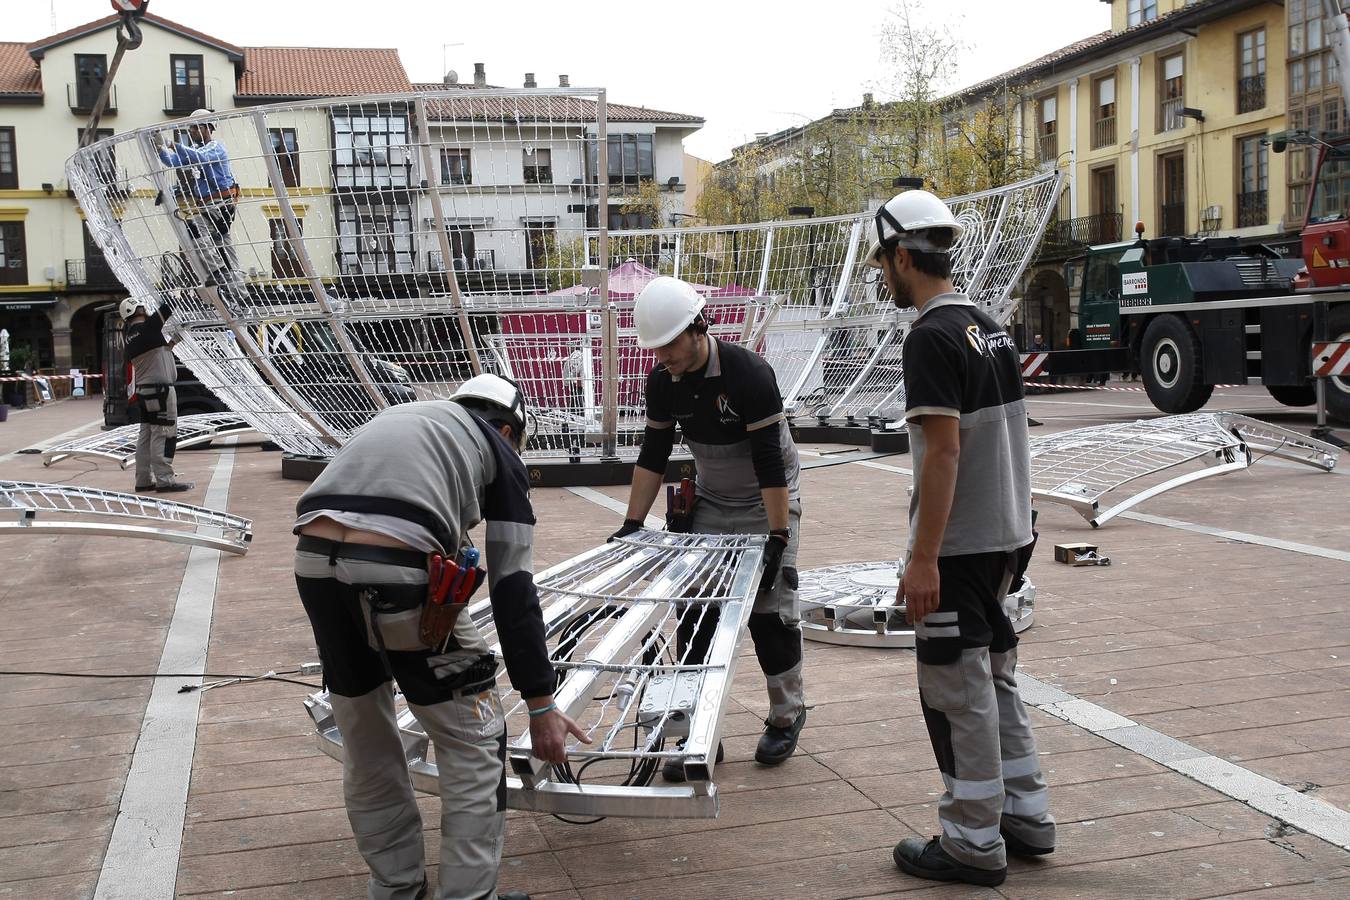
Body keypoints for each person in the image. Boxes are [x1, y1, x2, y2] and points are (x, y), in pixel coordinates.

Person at [293, 374, 588, 900]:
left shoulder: (409, 417)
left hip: (313, 564)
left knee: (367, 738)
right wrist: (541, 703)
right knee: (474, 742)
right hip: (396, 565)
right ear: (507, 428)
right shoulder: (498, 447)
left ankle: (396, 888)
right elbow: (512, 587)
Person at [866, 190, 1055, 887]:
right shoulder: (988, 325)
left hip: (962, 545)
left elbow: (943, 453)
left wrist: (922, 557)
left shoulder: (931, 337)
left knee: (955, 690)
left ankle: (973, 840)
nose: (881, 275)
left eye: (882, 262)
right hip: (1007, 536)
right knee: (997, 679)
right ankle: (1027, 815)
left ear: (904, 256)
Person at [611, 276, 806, 781]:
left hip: (769, 500)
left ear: (699, 328)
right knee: (696, 616)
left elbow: (769, 464)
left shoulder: (748, 375)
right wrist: (632, 523)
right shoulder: (663, 380)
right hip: (714, 502)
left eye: (669, 345)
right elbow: (653, 455)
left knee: (768, 614)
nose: (661, 357)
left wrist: (778, 537)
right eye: (653, 348)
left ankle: (787, 714)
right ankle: (698, 731)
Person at [154, 109, 239, 288]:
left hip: (219, 203)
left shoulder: (216, 148)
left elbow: (199, 157)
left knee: (195, 229)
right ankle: (238, 291)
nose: (191, 132)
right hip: (210, 205)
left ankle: (219, 272)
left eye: (194, 128)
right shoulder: (196, 150)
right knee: (224, 248)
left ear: (206, 128)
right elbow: (175, 162)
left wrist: (170, 143)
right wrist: (160, 149)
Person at [123, 298, 193, 493]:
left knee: (145, 436)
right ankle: (165, 481)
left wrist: (172, 342)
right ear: (137, 310)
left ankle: (143, 480)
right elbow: (168, 306)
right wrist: (179, 291)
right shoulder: (148, 328)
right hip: (160, 391)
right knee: (164, 434)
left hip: (146, 392)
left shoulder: (131, 337)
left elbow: (157, 354)